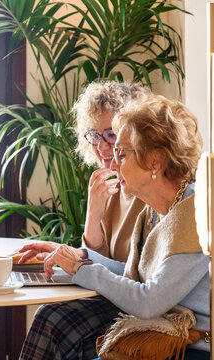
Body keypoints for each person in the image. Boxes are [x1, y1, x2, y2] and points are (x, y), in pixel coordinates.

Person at [18, 95, 214, 360]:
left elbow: (149, 302)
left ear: (155, 161)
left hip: (212, 350)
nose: (113, 164)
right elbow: (138, 275)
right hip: (179, 339)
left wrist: (80, 270)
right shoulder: (161, 210)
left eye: (122, 154)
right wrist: (81, 256)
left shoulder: (199, 215)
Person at [72, 80, 149, 262]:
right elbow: (95, 265)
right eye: (95, 135)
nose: (100, 146)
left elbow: (140, 276)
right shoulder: (108, 187)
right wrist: (93, 214)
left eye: (111, 135)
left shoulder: (153, 190)